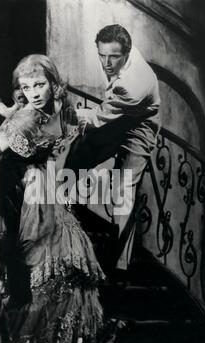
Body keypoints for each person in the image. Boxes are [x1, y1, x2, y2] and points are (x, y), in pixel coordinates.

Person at [0, 54, 105, 343]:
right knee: (45, 275)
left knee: (69, 274)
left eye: (40, 84)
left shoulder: (61, 111)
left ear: (54, 83)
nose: (34, 91)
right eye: (27, 86)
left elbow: (73, 124)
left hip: (52, 192)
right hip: (31, 198)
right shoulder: (25, 121)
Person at [65, 24, 161, 271]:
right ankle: (64, 208)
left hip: (141, 125)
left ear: (126, 54)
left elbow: (98, 117)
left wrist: (70, 115)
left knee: (124, 185)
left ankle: (120, 265)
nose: (107, 63)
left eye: (114, 57)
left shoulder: (132, 85)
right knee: (80, 152)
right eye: (102, 55)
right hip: (119, 111)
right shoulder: (121, 58)